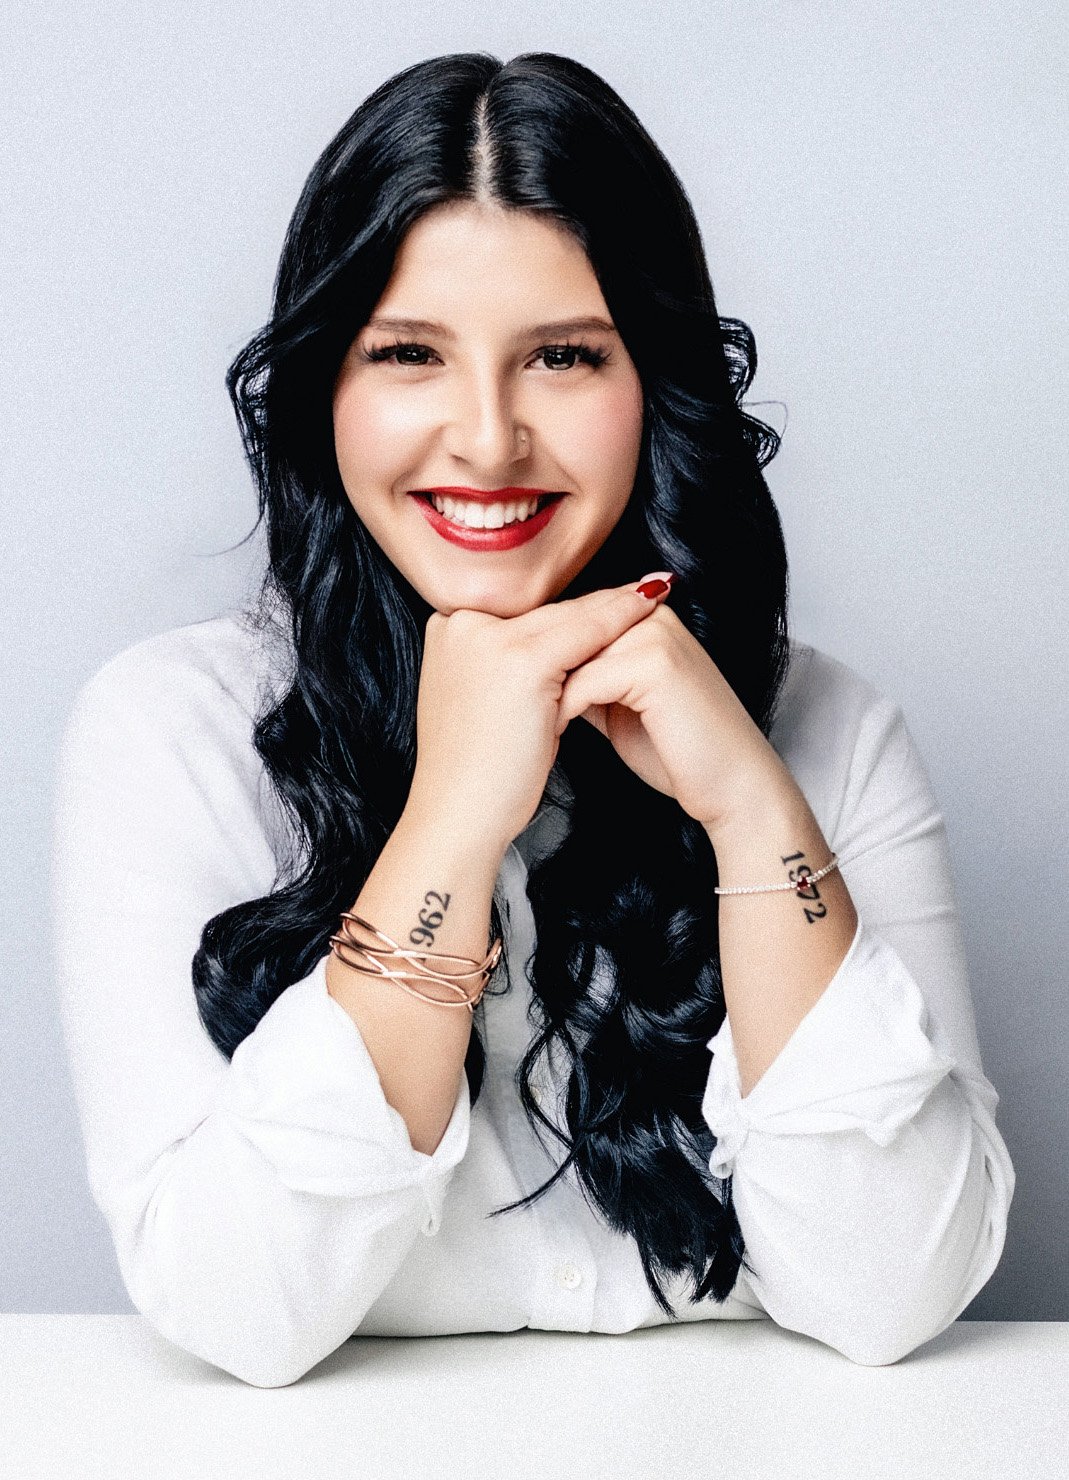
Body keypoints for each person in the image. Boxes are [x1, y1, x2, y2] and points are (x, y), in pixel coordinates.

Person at [50, 50, 1014, 1389]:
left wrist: (751, 810)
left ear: (654, 380)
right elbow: (236, 1312)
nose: (489, 439)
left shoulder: (828, 731)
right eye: (409, 355)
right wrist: (453, 820)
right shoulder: (174, 730)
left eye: (563, 356)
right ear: (327, 390)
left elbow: (893, 1291)